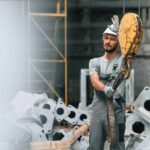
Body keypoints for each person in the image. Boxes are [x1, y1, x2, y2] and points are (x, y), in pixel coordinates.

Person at [88, 15, 126, 150]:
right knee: (94, 146)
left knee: (117, 146)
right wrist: (105, 88)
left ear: (118, 42)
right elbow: (94, 81)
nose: (108, 41)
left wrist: (123, 33)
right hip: (98, 111)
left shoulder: (123, 61)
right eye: (106, 38)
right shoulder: (94, 62)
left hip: (117, 111)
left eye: (112, 39)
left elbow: (126, 65)